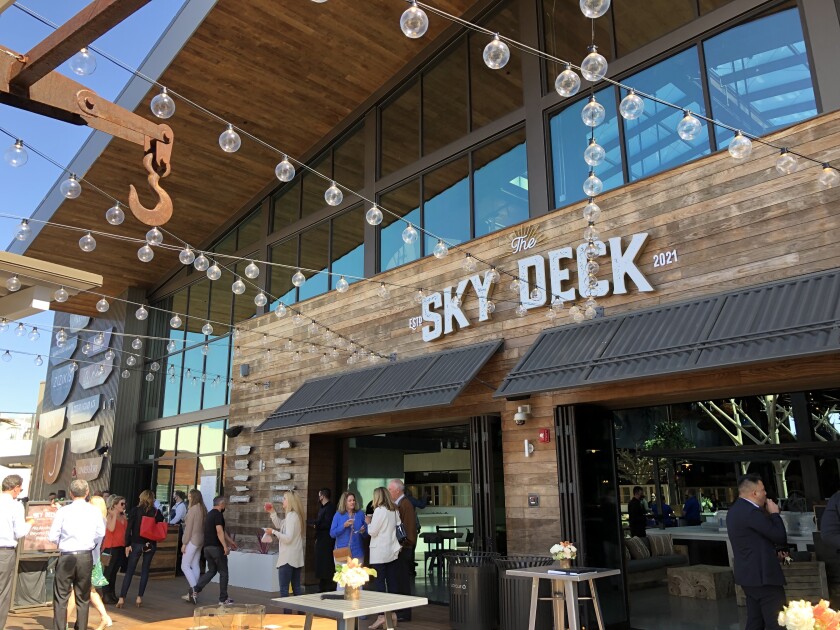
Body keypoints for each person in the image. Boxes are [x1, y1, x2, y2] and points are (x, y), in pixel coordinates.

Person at [727, 473, 787, 630]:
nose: (766, 493)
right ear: (754, 493)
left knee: (755, 621)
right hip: (763, 576)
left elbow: (755, 540)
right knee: (777, 621)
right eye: (763, 490)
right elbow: (779, 536)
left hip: (748, 575)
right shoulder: (752, 512)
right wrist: (775, 514)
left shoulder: (734, 510)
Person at [48, 480, 105, 630]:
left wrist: (62, 542)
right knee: (83, 597)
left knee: (61, 596)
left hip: (67, 554)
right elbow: (101, 533)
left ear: (71, 493)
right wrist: (90, 542)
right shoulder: (94, 511)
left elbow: (52, 535)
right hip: (85, 555)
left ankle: (60, 627)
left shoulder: (64, 511)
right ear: (87, 493)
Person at [66, 496, 112, 630]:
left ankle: (62, 622)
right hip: (93, 559)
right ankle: (104, 617)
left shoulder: (97, 520)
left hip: (88, 559)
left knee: (77, 592)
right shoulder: (101, 519)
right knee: (90, 591)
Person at [118, 490, 164, 608]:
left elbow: (129, 529)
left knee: (130, 571)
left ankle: (122, 598)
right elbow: (161, 521)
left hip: (136, 543)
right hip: (150, 544)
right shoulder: (156, 512)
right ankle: (139, 598)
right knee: (145, 570)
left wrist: (127, 544)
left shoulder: (135, 511)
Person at [0, 474, 34, 629]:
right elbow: (20, 532)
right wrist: (30, 523)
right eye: (20, 489)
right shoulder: (15, 506)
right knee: (3, 592)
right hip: (5, 552)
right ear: (15, 489)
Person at [366, 487, 402, 630]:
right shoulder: (394, 510)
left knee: (379, 584)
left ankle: (382, 616)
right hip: (392, 551)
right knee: (392, 582)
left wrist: (368, 522)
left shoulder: (380, 511)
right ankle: (392, 613)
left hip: (380, 552)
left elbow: (372, 532)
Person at [191, 496, 237, 605]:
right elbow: (219, 531)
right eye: (224, 503)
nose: (225, 505)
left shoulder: (210, 514)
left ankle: (196, 589)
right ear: (221, 504)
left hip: (207, 548)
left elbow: (222, 531)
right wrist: (225, 546)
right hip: (216, 548)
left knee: (212, 571)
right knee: (224, 573)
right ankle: (223, 599)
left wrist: (231, 541)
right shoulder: (218, 514)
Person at [266, 491, 305, 612]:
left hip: (288, 558)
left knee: (284, 590)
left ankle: (288, 617)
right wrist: (272, 512)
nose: (282, 501)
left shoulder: (292, 516)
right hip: (294, 558)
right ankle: (301, 616)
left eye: (284, 498)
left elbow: (287, 538)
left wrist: (272, 532)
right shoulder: (292, 516)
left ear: (290, 502)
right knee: (296, 588)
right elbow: (280, 524)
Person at [388, 478, 417, 622]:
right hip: (401, 547)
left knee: (403, 581)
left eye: (390, 490)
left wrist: (403, 544)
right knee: (399, 580)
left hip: (403, 548)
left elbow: (408, 529)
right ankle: (400, 611)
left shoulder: (405, 504)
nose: (389, 492)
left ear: (398, 490)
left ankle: (404, 613)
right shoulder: (399, 504)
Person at [180, 489, 206, 602]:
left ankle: (194, 590)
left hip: (192, 540)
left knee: (184, 565)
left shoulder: (193, 509)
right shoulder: (203, 509)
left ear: (194, 497)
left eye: (190, 496)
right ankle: (193, 594)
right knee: (195, 564)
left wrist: (184, 543)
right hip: (201, 540)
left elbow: (188, 528)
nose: (188, 498)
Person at [101, 495, 127, 604]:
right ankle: (105, 594)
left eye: (124, 503)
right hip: (110, 547)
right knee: (108, 571)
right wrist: (114, 515)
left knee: (114, 571)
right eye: (121, 504)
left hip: (120, 546)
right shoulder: (110, 516)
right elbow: (111, 528)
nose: (124, 506)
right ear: (115, 505)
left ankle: (112, 593)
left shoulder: (123, 516)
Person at [330, 491, 366, 565]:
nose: (352, 502)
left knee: (357, 576)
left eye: (353, 500)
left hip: (357, 552)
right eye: (350, 500)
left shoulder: (360, 514)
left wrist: (363, 531)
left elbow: (366, 535)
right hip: (342, 552)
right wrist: (343, 526)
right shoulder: (338, 515)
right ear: (344, 502)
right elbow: (332, 534)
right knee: (342, 576)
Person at [313, 488, 337, 592]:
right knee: (321, 562)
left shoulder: (330, 508)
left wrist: (316, 524)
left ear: (322, 496)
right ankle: (322, 584)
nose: (318, 498)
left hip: (327, 540)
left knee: (326, 562)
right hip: (321, 538)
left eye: (319, 495)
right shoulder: (322, 508)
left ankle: (327, 585)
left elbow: (328, 523)